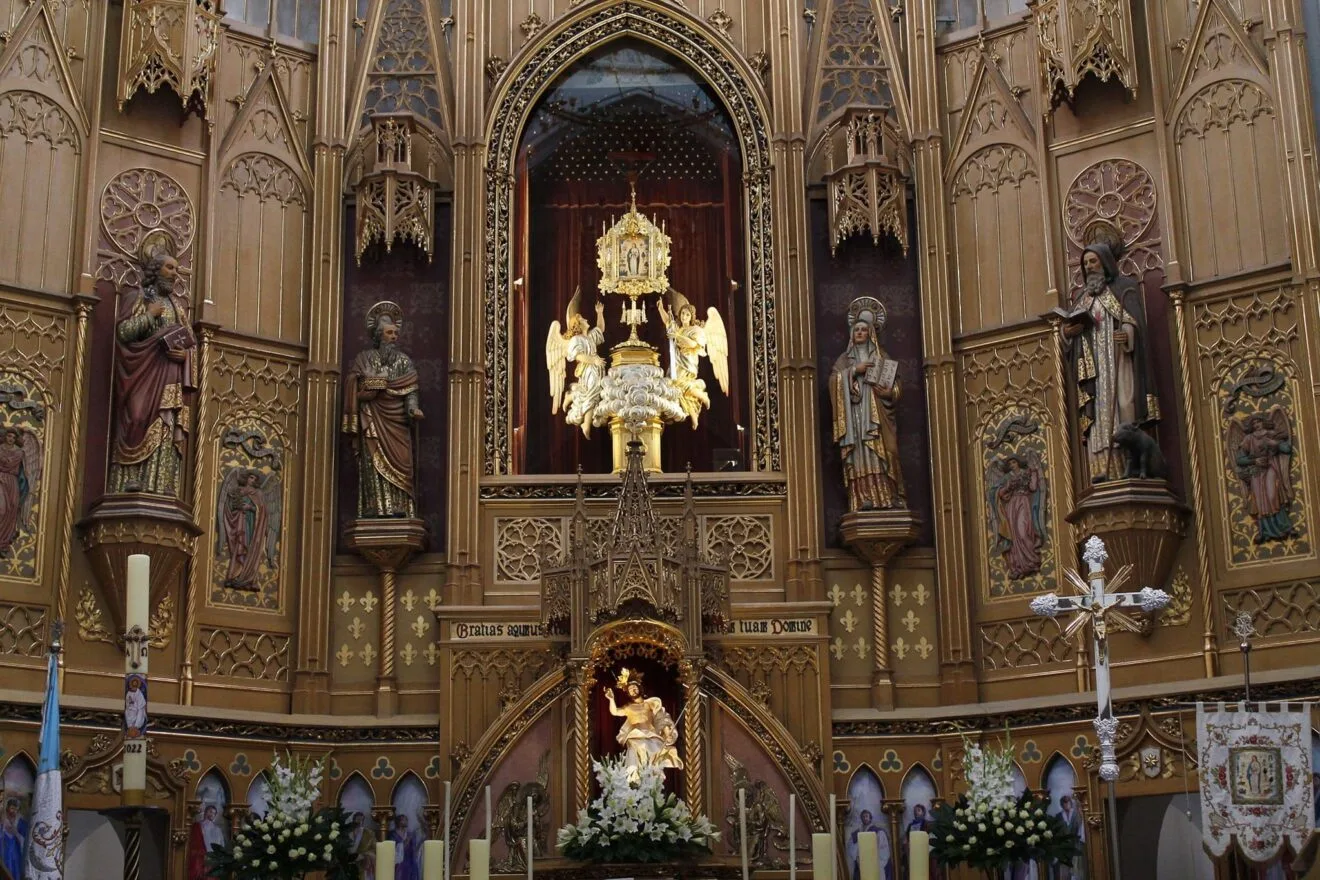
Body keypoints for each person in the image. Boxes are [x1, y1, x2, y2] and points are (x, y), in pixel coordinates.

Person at [1060, 242, 1159, 484]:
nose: (1089, 267)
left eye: (1093, 261)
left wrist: (1127, 333)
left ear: (1105, 262)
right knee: (1098, 418)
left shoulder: (1124, 289)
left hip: (1118, 361)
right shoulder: (1083, 299)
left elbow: (1135, 323)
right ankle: (1104, 470)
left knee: (1124, 406)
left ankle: (1130, 469)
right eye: (1085, 264)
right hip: (1094, 370)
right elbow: (1069, 337)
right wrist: (1068, 333)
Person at [109, 244, 196, 497]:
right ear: (155, 270)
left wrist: (186, 356)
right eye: (170, 267)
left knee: (166, 425)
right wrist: (149, 316)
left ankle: (162, 482)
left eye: (177, 269)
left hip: (169, 374)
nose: (174, 273)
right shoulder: (139, 298)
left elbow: (191, 342)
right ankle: (130, 479)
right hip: (142, 373)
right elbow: (124, 333)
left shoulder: (177, 307)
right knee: (136, 418)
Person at [343, 303, 423, 518]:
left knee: (402, 462)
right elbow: (354, 384)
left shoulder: (404, 362)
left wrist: (413, 408)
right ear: (379, 335)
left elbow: (411, 388)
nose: (394, 337)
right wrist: (371, 384)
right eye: (389, 333)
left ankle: (400, 508)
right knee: (372, 462)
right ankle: (375, 508)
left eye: (396, 333)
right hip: (372, 418)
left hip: (397, 422)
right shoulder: (364, 359)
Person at [829, 301, 905, 511]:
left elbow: (896, 385)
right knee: (860, 454)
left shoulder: (882, 358)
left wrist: (890, 393)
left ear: (871, 333)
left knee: (887, 450)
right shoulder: (844, 360)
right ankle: (863, 498)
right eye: (857, 330)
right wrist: (853, 371)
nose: (860, 333)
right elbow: (834, 381)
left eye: (864, 329)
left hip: (878, 417)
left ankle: (888, 496)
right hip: (855, 419)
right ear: (852, 334)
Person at [604, 668, 682, 783]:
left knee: (654, 763)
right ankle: (634, 781)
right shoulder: (628, 707)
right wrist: (611, 699)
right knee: (634, 757)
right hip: (635, 736)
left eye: (635, 687)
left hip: (652, 736)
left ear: (640, 688)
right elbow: (615, 711)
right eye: (630, 689)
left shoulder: (650, 704)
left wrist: (667, 733)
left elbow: (661, 719)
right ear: (628, 693)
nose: (633, 690)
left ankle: (652, 785)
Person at [987, 454, 1046, 579]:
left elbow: (1033, 487)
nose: (1012, 465)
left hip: (1024, 503)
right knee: (1014, 535)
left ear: (1018, 462)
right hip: (1012, 506)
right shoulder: (1007, 477)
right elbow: (998, 493)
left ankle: (1031, 561)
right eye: (1010, 464)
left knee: (1023, 532)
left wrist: (1035, 473)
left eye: (1013, 462)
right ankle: (1017, 566)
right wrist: (1007, 487)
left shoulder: (1026, 473)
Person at [0, 428, 36, 558]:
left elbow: (26, 471)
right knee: (2, 509)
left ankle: (3, 542)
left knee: (12, 508)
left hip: (13, 482)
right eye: (8, 436)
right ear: (5, 437)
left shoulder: (20, 453)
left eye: (13, 437)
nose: (10, 439)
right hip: (1, 479)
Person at [848, 810, 892, 880]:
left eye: (866, 816)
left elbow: (884, 851)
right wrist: (857, 856)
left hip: (874, 864)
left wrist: (876, 861)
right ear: (861, 818)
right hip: (862, 864)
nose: (865, 818)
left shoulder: (878, 832)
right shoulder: (857, 833)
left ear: (870, 818)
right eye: (863, 817)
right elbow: (851, 847)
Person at [187, 803, 226, 880]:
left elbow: (221, 845)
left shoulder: (218, 829)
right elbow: (192, 843)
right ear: (205, 812)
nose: (212, 814)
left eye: (214, 813)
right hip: (200, 859)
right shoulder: (197, 826)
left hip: (213, 859)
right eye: (210, 811)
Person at [1056, 795, 1085, 879]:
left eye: (1067, 802)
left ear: (1070, 803)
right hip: (1064, 846)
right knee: (1064, 869)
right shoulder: (1058, 816)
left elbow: (1080, 827)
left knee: (1076, 867)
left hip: (1076, 844)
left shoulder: (1076, 814)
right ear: (1062, 804)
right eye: (1064, 803)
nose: (1066, 805)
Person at [0, 796, 27, 880]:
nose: (13, 811)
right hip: (3, 856)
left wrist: (15, 833)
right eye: (12, 808)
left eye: (16, 809)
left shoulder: (21, 823)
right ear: (7, 809)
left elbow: (26, 842)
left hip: (16, 856)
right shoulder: (2, 823)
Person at [389, 814, 423, 880]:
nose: (406, 821)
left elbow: (414, 848)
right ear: (399, 821)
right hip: (399, 864)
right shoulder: (393, 834)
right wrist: (405, 842)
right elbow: (391, 849)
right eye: (404, 819)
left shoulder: (410, 834)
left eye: (406, 819)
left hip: (410, 862)